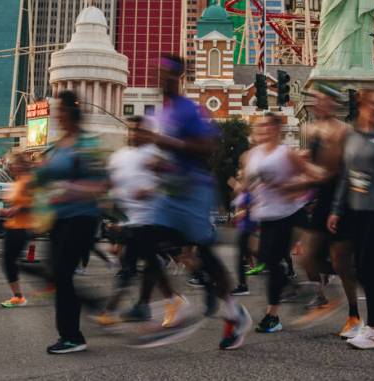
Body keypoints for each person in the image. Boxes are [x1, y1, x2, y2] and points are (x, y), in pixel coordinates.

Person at [140, 54, 252, 350]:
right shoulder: (161, 113)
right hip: (170, 193)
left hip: (195, 191)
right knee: (145, 242)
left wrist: (169, 144)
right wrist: (159, 165)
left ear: (179, 77)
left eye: (168, 73)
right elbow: (172, 156)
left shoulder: (189, 109)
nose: (161, 78)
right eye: (159, 72)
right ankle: (176, 303)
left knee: (206, 255)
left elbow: (209, 147)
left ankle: (234, 312)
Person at [30, 90, 110, 354]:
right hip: (57, 220)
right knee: (55, 275)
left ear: (73, 112)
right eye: (56, 111)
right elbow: (41, 178)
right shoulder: (56, 146)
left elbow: (101, 184)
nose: (57, 115)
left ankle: (72, 336)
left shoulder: (86, 144)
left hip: (81, 218)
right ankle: (92, 307)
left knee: (62, 274)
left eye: (61, 110)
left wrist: (70, 190)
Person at [328, 88, 374, 350]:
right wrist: (336, 209)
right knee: (357, 268)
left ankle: (373, 331)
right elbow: (347, 175)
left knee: (367, 268)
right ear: (361, 105)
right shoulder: (352, 137)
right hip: (355, 211)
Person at [295, 84, 363, 338]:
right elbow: (310, 163)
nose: (318, 104)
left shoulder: (343, 131)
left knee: (341, 262)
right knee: (307, 255)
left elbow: (347, 168)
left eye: (323, 100)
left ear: (333, 104)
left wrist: (323, 172)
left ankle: (354, 315)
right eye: (316, 100)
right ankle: (326, 295)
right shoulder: (310, 129)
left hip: (340, 196)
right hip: (320, 196)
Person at [95, 116, 177, 325]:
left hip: (152, 218)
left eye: (139, 130)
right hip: (129, 220)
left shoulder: (153, 153)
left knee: (132, 265)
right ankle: (148, 305)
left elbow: (172, 177)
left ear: (147, 132)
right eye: (131, 129)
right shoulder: (119, 156)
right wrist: (108, 204)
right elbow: (110, 184)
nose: (133, 134)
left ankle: (113, 311)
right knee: (141, 263)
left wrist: (151, 189)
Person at [242, 113, 315, 333]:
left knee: (273, 263)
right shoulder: (250, 156)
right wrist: (245, 199)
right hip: (265, 215)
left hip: (288, 213)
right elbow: (248, 183)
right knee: (267, 261)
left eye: (266, 125)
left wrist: (292, 189)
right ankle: (294, 288)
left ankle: (272, 316)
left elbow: (311, 176)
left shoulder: (286, 153)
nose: (262, 129)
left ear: (276, 129)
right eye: (258, 125)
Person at [0, 151, 37, 308]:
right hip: (13, 227)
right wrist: (8, 211)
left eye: (11, 163)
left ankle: (20, 296)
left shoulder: (28, 181)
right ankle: (18, 296)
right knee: (9, 262)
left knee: (11, 262)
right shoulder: (17, 182)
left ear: (20, 165)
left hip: (21, 228)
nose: (9, 166)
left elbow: (35, 204)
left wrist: (16, 209)